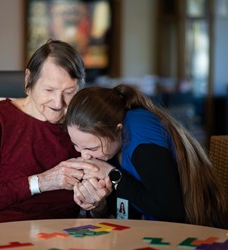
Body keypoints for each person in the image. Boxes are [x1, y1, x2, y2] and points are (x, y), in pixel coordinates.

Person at [0, 39, 98, 227]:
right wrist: (42, 182)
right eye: (49, 90)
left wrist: (97, 202)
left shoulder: (83, 124)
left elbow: (100, 209)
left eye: (69, 92)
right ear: (28, 80)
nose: (58, 104)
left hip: (60, 237)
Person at [66, 84, 228, 228]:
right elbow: (126, 213)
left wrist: (113, 175)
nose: (84, 156)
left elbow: (172, 214)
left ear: (118, 129)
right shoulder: (111, 147)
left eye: (91, 148)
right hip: (150, 232)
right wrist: (98, 205)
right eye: (76, 145)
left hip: (199, 233)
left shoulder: (141, 139)